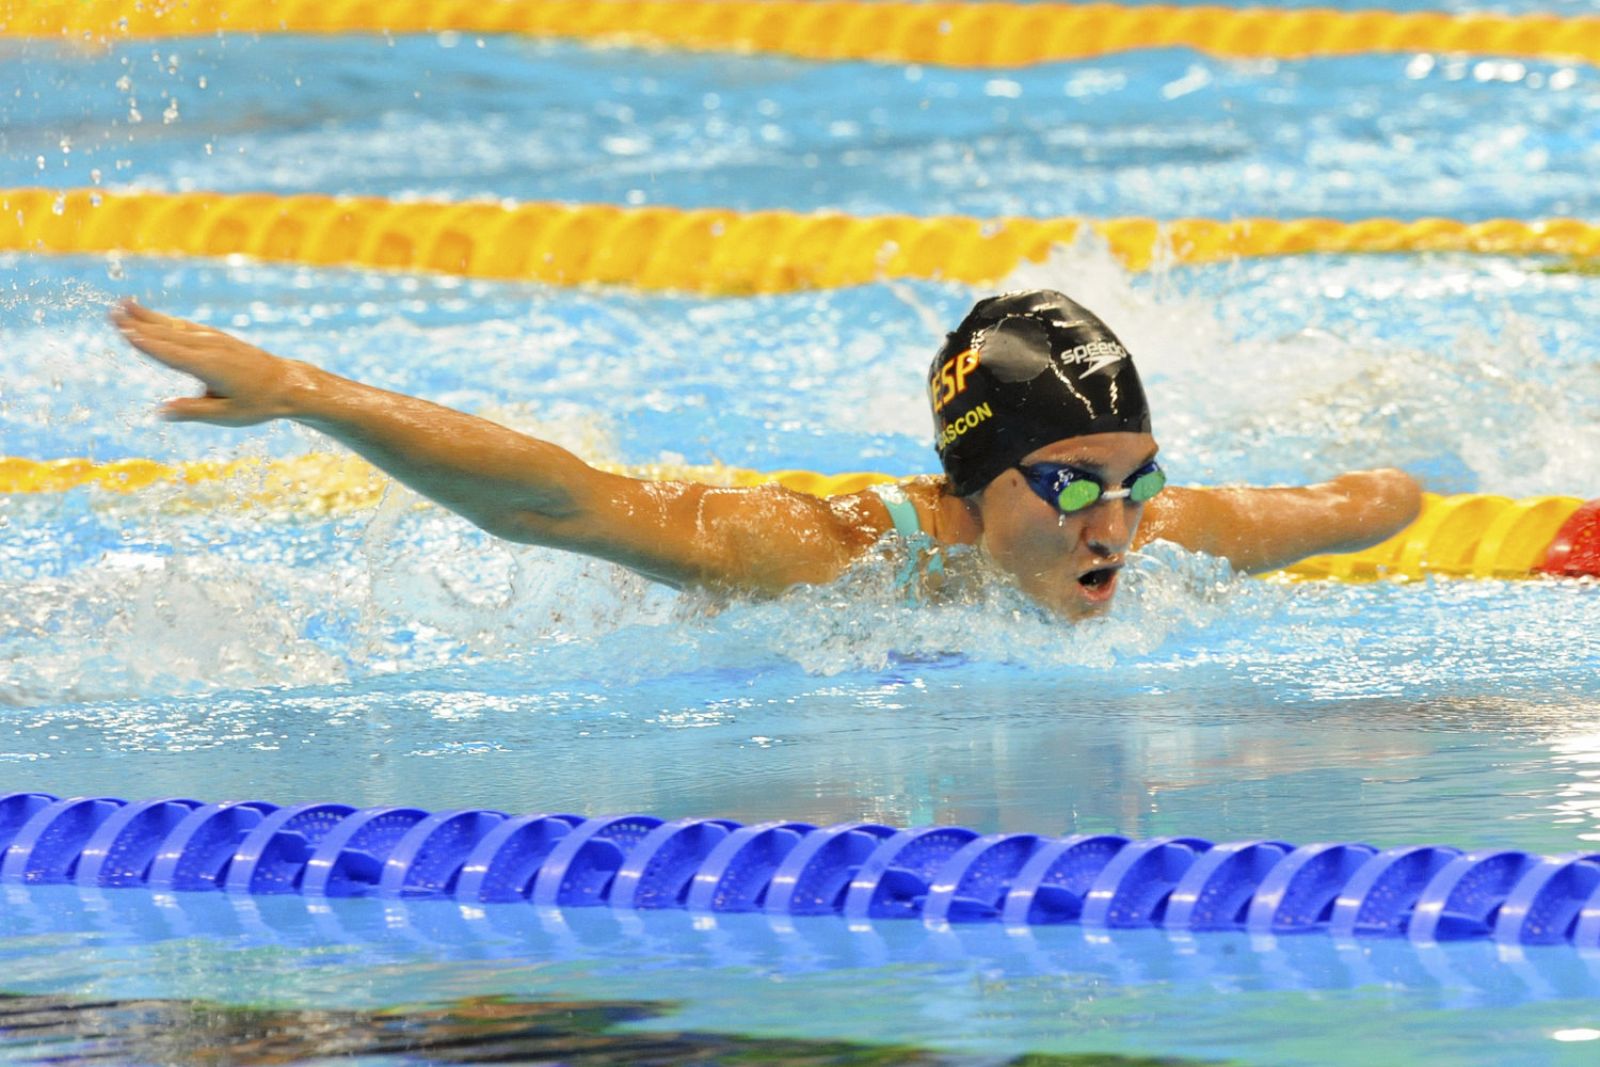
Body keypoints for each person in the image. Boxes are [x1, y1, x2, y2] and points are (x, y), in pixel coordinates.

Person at [111, 290, 1421, 619]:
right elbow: (558, 503)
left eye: (1135, 481)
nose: (1116, 528)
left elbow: (1362, 506)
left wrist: (1392, 486)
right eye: (1071, 484)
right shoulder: (831, 557)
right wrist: (301, 391)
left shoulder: (1164, 527)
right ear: (974, 479)